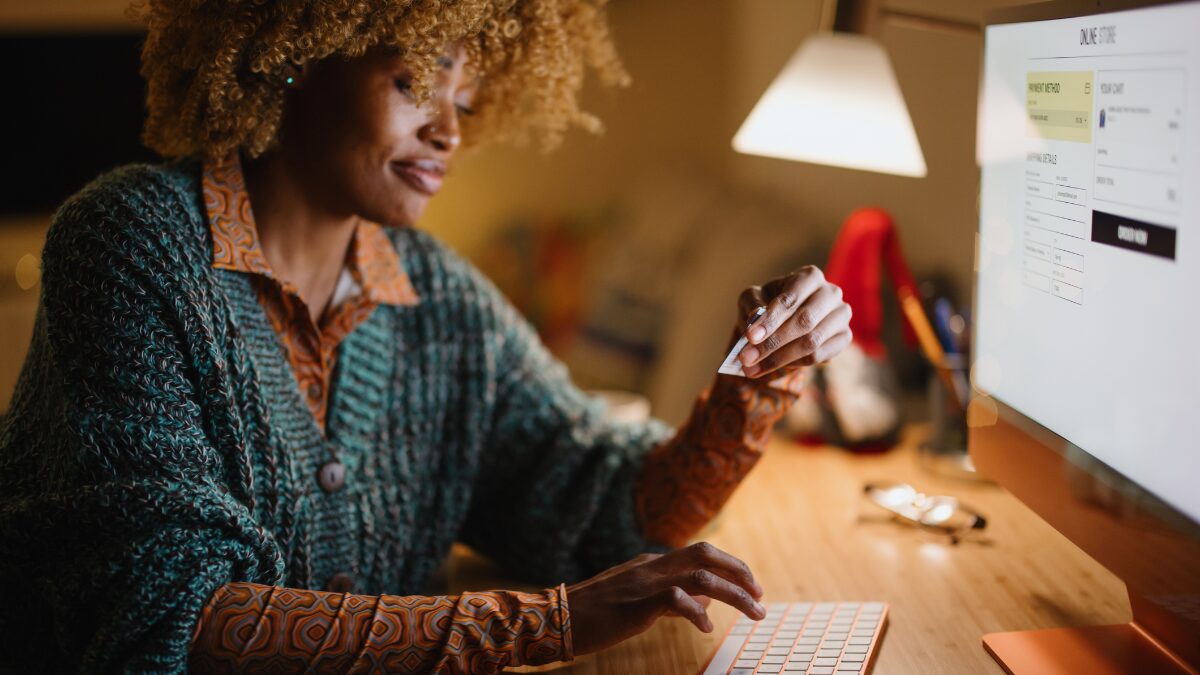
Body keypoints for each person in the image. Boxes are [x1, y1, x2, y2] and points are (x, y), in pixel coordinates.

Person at [0, 0, 853, 672]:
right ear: (297, 44)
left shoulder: (438, 297)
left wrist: (755, 380)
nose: (449, 132)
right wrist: (544, 625)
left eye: (467, 101)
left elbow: (611, 512)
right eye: (416, 84)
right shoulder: (131, 244)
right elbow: (173, 618)